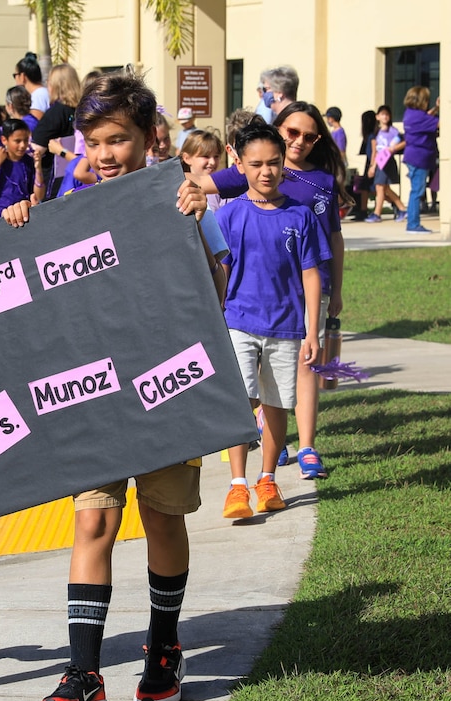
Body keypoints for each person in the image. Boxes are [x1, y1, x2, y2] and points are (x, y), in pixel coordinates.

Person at [0, 71, 219, 701]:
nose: (106, 154)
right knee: (93, 519)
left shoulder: (181, 199)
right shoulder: (64, 213)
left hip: (169, 387)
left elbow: (214, 292)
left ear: (148, 137)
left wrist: (195, 223)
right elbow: (36, 288)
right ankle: (83, 676)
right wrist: (19, 225)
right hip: (94, 395)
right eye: (94, 141)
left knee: (163, 518)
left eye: (119, 139)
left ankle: (164, 647)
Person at [194, 101, 348, 480]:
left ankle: (298, 453)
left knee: (290, 386)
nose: (299, 141)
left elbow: (328, 246)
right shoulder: (236, 199)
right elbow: (218, 254)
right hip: (244, 312)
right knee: (245, 395)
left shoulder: (314, 193)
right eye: (292, 132)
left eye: (309, 135)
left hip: (295, 308)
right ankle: (244, 476)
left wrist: (328, 304)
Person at [218, 121, 330, 518]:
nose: (266, 171)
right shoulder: (229, 216)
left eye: (273, 162)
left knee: (276, 404)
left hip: (286, 328)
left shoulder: (301, 215)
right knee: (241, 402)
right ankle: (237, 486)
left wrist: (312, 330)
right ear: (240, 164)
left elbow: (311, 273)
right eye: (256, 164)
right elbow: (222, 273)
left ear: (283, 163)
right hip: (238, 323)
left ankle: (267, 479)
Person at [30, 63, 81, 198]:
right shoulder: (82, 111)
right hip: (77, 176)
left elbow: (37, 148)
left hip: (55, 181)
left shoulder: (55, 113)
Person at [0, 118, 43, 216]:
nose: (22, 145)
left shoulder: (28, 162)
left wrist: (38, 168)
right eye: (17, 141)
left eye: (25, 140)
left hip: (21, 215)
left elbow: (39, 196)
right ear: (4, 140)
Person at [401, 86, 440, 234]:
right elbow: (440, 123)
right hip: (420, 158)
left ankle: (412, 222)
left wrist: (436, 108)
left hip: (412, 157)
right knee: (417, 191)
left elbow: (427, 117)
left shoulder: (410, 114)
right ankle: (413, 224)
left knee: (415, 191)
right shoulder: (420, 117)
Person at [366, 105, 407, 223]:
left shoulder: (393, 131)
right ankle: (402, 208)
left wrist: (392, 148)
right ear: (377, 116)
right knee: (384, 188)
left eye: (387, 114)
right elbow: (375, 151)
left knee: (380, 187)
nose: (385, 117)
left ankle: (377, 213)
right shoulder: (376, 132)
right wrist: (372, 166)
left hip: (387, 161)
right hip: (379, 162)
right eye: (382, 114)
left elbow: (402, 142)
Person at [179, 129, 223, 210]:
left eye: (216, 156)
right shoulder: (180, 190)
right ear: (187, 158)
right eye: (205, 156)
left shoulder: (223, 191)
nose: (212, 162)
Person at [13, 52, 50, 119]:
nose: (15, 79)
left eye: (15, 75)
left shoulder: (37, 96)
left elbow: (34, 125)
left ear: (22, 76)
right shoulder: (41, 93)